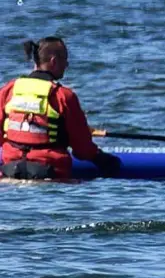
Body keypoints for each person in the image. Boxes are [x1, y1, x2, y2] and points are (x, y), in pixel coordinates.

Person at [1, 38, 121, 181]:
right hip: (51, 175)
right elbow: (82, 150)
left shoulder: (9, 90)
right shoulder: (63, 96)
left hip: (10, 171)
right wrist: (105, 160)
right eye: (65, 59)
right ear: (53, 61)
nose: (67, 64)